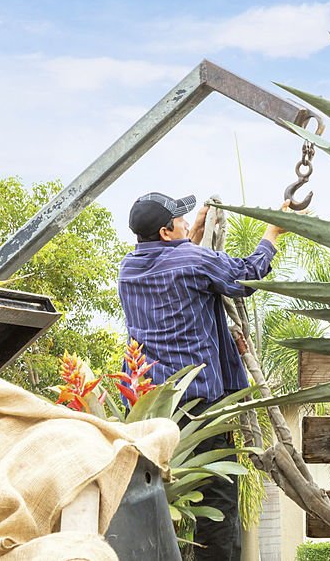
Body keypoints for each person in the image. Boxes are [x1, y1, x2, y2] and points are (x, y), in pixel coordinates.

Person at [117, 192, 287, 561]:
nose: (185, 221)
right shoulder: (191, 259)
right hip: (200, 406)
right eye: (178, 220)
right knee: (219, 502)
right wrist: (272, 234)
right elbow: (244, 277)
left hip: (152, 408)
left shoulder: (128, 269)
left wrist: (190, 235)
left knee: (158, 503)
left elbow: (177, 270)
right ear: (165, 232)